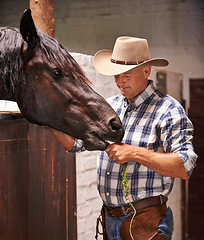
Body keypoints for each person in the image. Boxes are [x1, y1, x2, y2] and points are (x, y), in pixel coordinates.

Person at [51, 36, 197, 240]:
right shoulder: (109, 107)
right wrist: (51, 119)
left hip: (147, 223)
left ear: (147, 71)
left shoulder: (168, 109)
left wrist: (134, 153)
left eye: (126, 75)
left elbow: (184, 166)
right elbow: (75, 144)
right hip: (110, 220)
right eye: (116, 75)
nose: (120, 82)